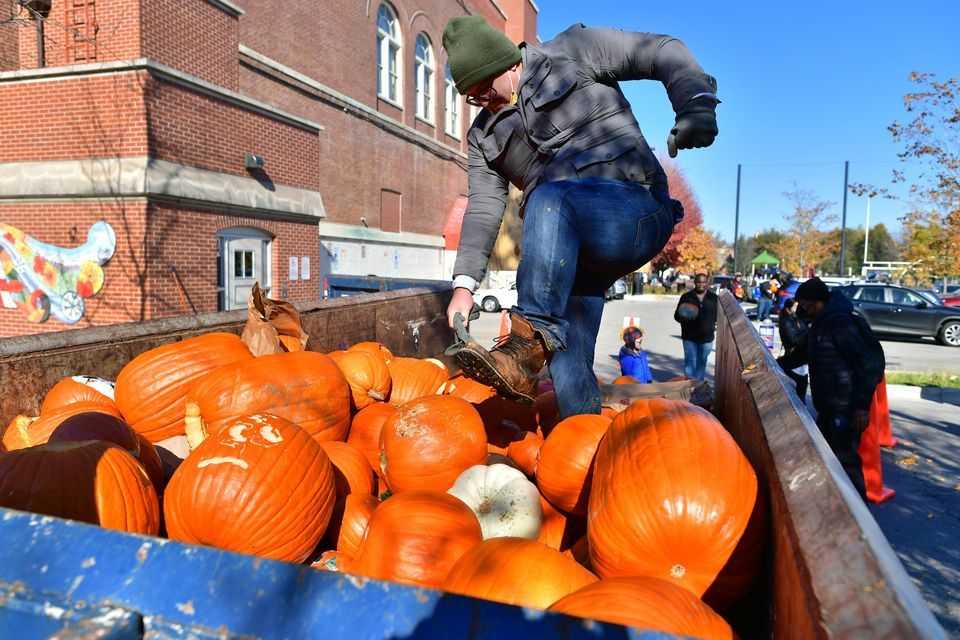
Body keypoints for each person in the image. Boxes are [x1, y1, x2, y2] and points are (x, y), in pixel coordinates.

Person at [443, 16, 719, 418]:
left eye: (486, 88)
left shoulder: (573, 50)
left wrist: (695, 103)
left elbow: (661, 51)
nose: (484, 102)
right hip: (575, 252)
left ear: (510, 65)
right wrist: (464, 286)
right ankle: (581, 436)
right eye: (472, 98)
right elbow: (484, 206)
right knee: (567, 360)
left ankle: (524, 349)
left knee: (552, 198)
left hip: (637, 209)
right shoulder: (483, 138)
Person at [777, 278, 885, 501]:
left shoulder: (838, 323)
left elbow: (867, 364)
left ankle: (858, 513)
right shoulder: (821, 322)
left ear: (818, 301)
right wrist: (773, 365)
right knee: (824, 457)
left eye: (806, 304)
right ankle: (836, 506)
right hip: (828, 406)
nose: (804, 309)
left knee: (846, 462)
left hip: (845, 407)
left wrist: (861, 407)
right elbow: (802, 353)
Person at [674, 273, 719, 380]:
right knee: (690, 362)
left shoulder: (714, 298)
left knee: (702, 362)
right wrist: (683, 318)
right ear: (695, 282)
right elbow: (676, 315)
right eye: (698, 282)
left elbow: (719, 316)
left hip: (707, 337)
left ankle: (698, 387)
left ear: (707, 283)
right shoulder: (686, 297)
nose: (701, 284)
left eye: (703, 282)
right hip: (689, 336)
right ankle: (690, 388)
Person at [778, 298, 808, 401]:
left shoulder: (799, 319)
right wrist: (808, 335)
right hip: (792, 359)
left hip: (803, 363)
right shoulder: (785, 322)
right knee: (794, 395)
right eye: (795, 306)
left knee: (802, 395)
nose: (798, 309)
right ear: (788, 309)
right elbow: (792, 339)